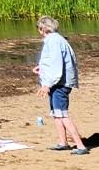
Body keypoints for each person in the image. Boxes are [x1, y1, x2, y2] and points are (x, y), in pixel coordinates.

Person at [35, 14, 88, 153]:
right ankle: (63, 142)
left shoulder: (54, 41)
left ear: (42, 28)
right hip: (57, 83)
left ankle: (81, 146)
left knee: (63, 115)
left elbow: (57, 66)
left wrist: (47, 85)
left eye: (39, 28)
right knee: (56, 114)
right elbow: (53, 63)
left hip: (59, 84)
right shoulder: (56, 40)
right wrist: (41, 68)